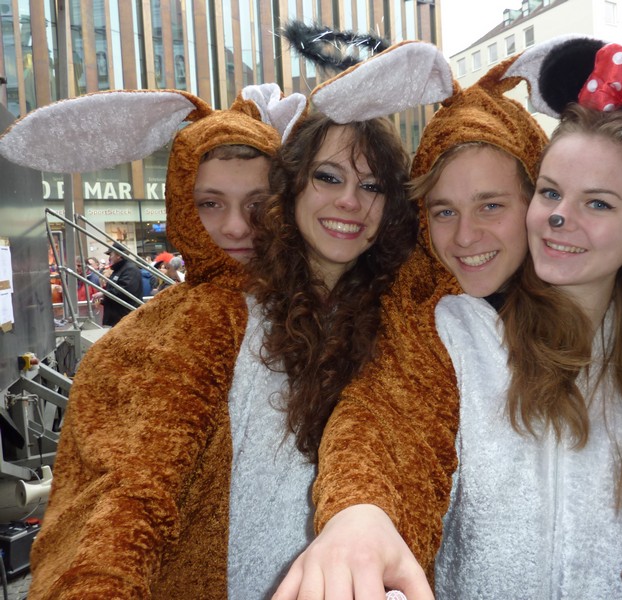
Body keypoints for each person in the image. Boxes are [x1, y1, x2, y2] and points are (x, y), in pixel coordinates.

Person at [277, 37, 622, 600]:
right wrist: (360, 514)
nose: (561, 217)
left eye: (599, 202)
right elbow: (384, 427)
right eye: (553, 193)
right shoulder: (455, 332)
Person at [0, 41, 446, 599]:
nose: (351, 201)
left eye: (373, 184)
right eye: (329, 177)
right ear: (296, 185)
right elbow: (120, 503)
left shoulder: (403, 319)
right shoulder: (192, 326)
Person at [90, 241, 144, 326]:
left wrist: (104, 294)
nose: (109, 258)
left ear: (119, 255)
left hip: (125, 320)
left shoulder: (130, 270)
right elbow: (116, 292)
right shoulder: (118, 270)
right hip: (117, 318)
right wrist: (103, 300)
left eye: (111, 255)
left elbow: (125, 291)